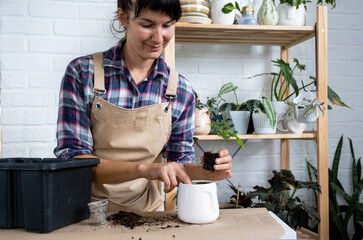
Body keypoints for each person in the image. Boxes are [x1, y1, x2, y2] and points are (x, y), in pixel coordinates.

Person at [54, 0, 233, 212]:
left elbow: (180, 160)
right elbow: (75, 162)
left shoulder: (180, 89)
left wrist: (207, 171)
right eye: (147, 25)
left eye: (167, 25)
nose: (158, 38)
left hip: (146, 213)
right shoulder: (83, 73)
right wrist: (145, 169)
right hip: (82, 212)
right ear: (123, 18)